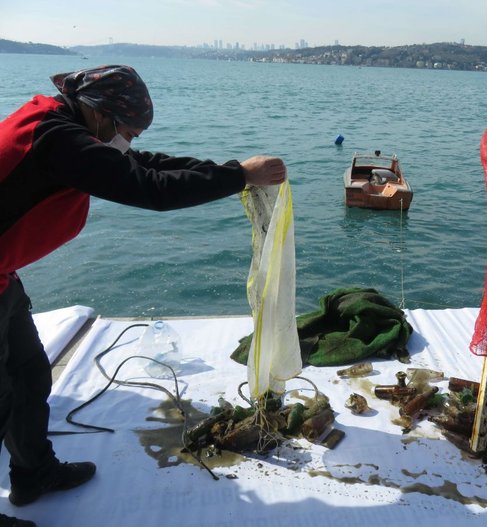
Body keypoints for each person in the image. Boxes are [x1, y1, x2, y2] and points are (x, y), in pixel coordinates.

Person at [0, 65, 287, 527]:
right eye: (126, 132)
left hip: (1, 276)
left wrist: (234, 172)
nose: (127, 143)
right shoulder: (55, 139)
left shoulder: (66, 128)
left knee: (29, 377)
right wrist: (236, 177)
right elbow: (147, 187)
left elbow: (142, 164)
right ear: (99, 113)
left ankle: (34, 474)